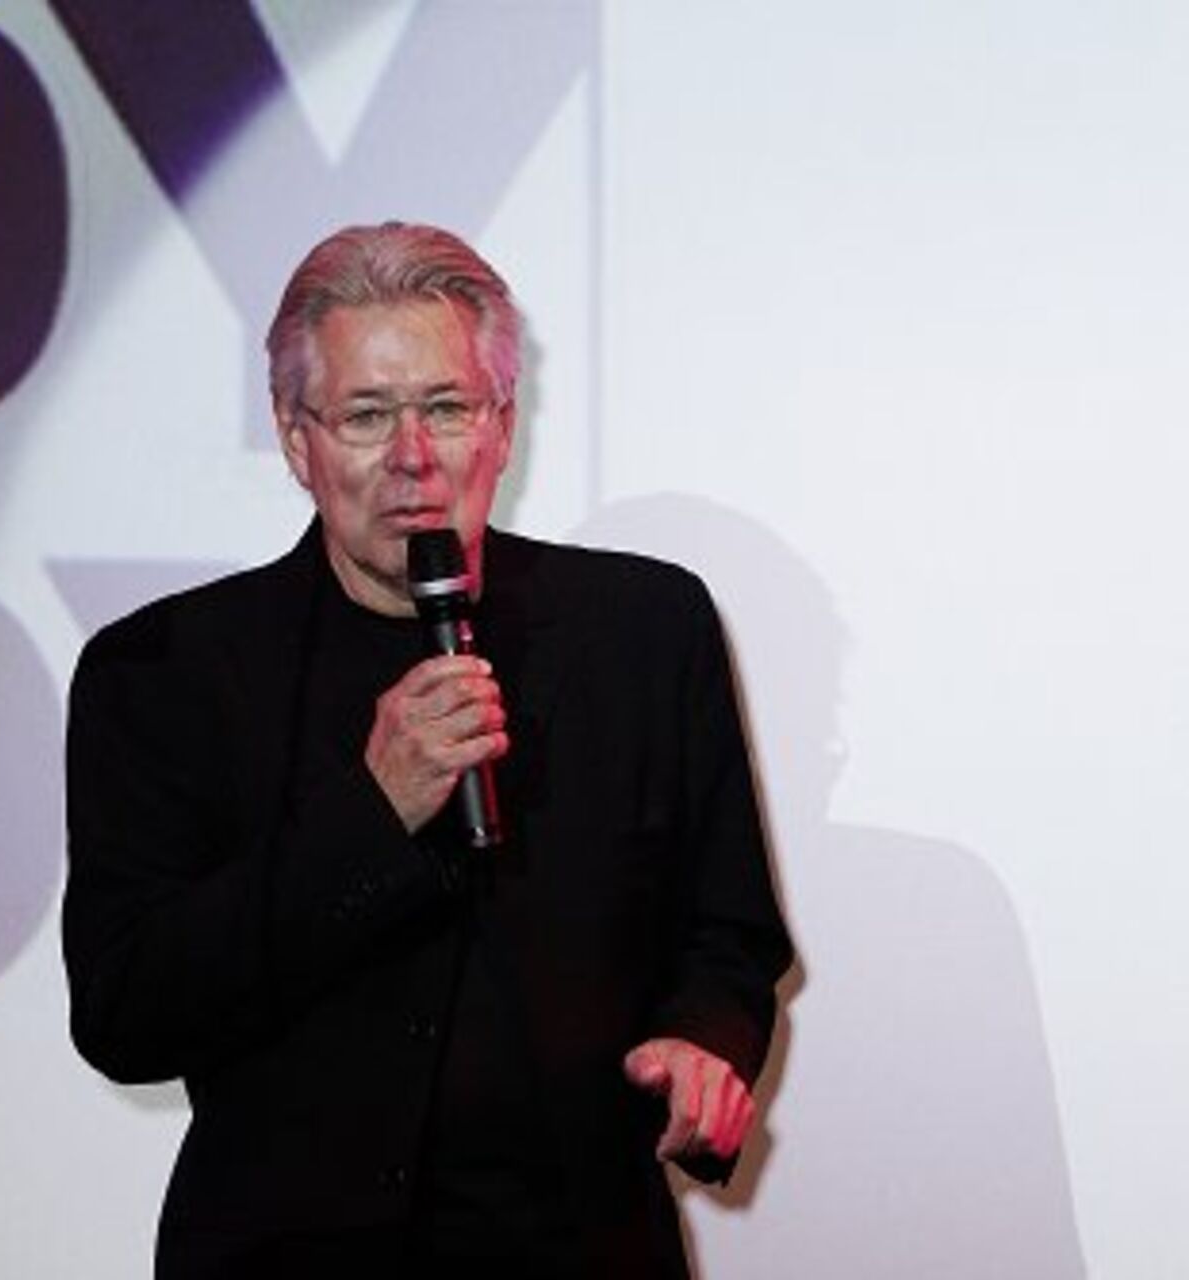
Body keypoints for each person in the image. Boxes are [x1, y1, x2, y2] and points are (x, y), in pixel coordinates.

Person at [63, 222, 792, 1277]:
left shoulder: (643, 630)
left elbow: (729, 936)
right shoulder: (164, 672)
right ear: (296, 439)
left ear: (503, 426)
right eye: (367, 415)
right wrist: (373, 811)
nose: (413, 457)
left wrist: (704, 1039)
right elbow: (127, 1014)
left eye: (447, 408)